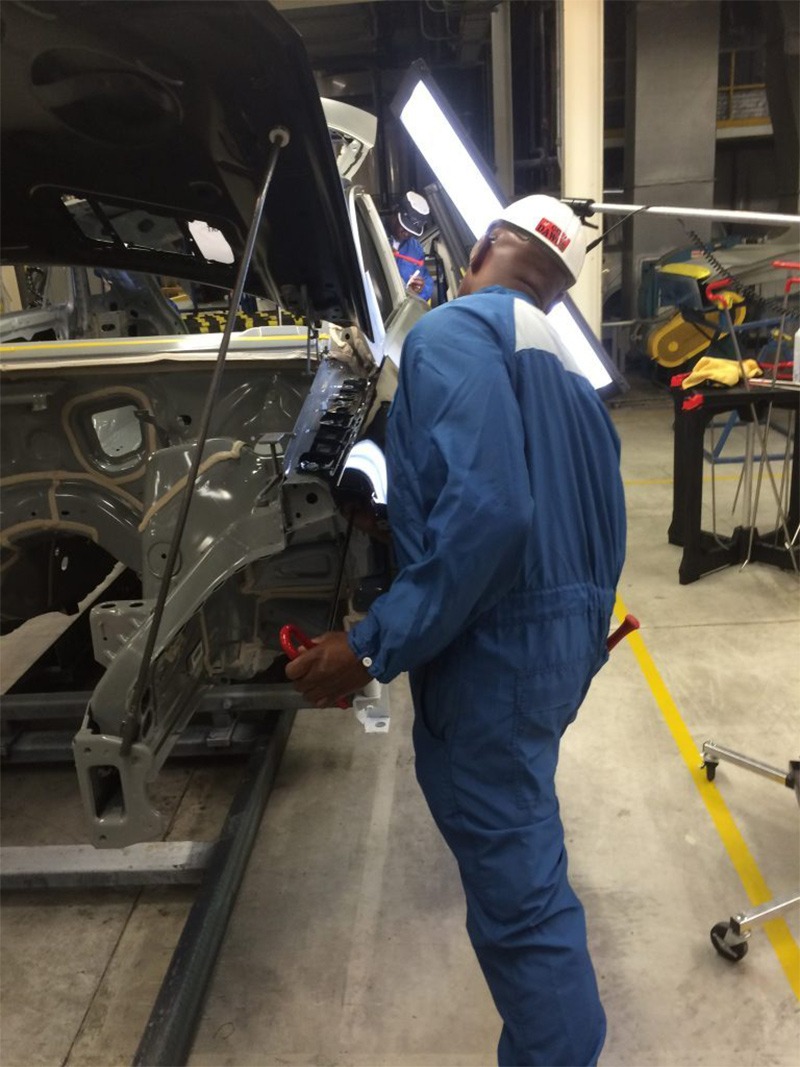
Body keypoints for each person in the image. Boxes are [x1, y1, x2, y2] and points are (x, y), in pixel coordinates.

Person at [285, 194, 627, 1067]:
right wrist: (408, 531)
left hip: (497, 656)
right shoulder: (573, 375)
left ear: (480, 250)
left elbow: (497, 514)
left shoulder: (447, 336)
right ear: (555, 289)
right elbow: (575, 514)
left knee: (525, 908)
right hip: (564, 644)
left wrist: (369, 644)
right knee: (522, 851)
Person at [388, 191, 434, 300]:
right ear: (396, 213)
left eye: (411, 231)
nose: (406, 234)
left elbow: (425, 280)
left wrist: (420, 289)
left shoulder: (415, 249)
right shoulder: (372, 232)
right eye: (404, 227)